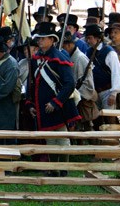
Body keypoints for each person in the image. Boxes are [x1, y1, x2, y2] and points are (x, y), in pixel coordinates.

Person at [27, 22, 81, 176]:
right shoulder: (35, 59)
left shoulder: (59, 58)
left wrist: (56, 102)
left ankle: (63, 169)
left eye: (43, 39)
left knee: (62, 138)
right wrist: (30, 104)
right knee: (50, 139)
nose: (40, 41)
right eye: (39, 39)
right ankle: (54, 169)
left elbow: (70, 83)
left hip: (59, 105)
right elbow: (31, 83)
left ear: (52, 40)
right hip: (42, 106)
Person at [60, 31, 97, 131]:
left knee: (86, 130)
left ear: (68, 45)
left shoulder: (80, 58)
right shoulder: (68, 57)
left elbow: (88, 85)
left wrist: (76, 96)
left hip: (82, 100)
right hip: (73, 98)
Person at [84, 23, 120, 117]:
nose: (88, 41)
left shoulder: (109, 52)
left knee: (110, 119)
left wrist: (113, 93)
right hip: (94, 93)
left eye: (90, 38)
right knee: (96, 118)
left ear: (97, 38)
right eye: (87, 38)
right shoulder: (88, 52)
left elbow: (116, 73)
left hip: (107, 92)